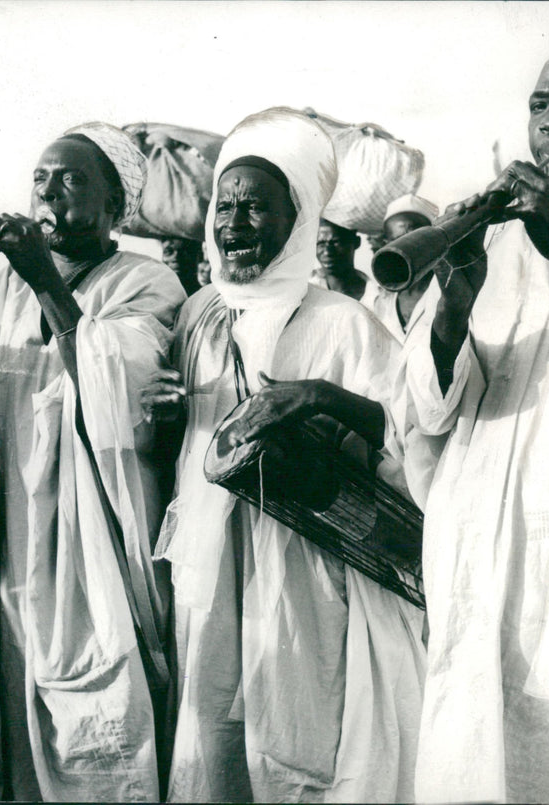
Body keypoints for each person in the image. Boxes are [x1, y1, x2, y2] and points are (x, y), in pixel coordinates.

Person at [0, 123, 187, 801]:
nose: (50, 193)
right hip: (7, 536)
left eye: (72, 180)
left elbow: (119, 389)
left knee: (97, 717)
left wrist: (45, 278)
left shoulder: (148, 282)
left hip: (93, 550)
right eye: (42, 179)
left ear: (116, 204)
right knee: (9, 720)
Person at [143, 108, 425, 803]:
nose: (235, 223)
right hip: (211, 563)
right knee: (214, 735)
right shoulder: (199, 313)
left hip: (310, 564)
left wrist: (319, 397)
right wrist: (166, 417)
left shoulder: (342, 321)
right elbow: (175, 450)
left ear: (296, 219)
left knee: (305, 736)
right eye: (225, 205)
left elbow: (410, 437)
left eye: (256, 207)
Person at [397, 33, 549, 802]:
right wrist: (450, 313)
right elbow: (424, 414)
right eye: (539, 105)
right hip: (488, 560)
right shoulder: (495, 241)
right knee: (481, 758)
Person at [365, 194, 439, 342]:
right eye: (398, 240)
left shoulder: (448, 290)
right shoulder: (378, 302)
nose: (408, 248)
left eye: (416, 238)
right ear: (386, 244)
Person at [311, 217, 367, 300]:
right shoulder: (303, 290)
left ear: (356, 242)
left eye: (336, 242)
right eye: (320, 244)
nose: (327, 252)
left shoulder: (375, 297)